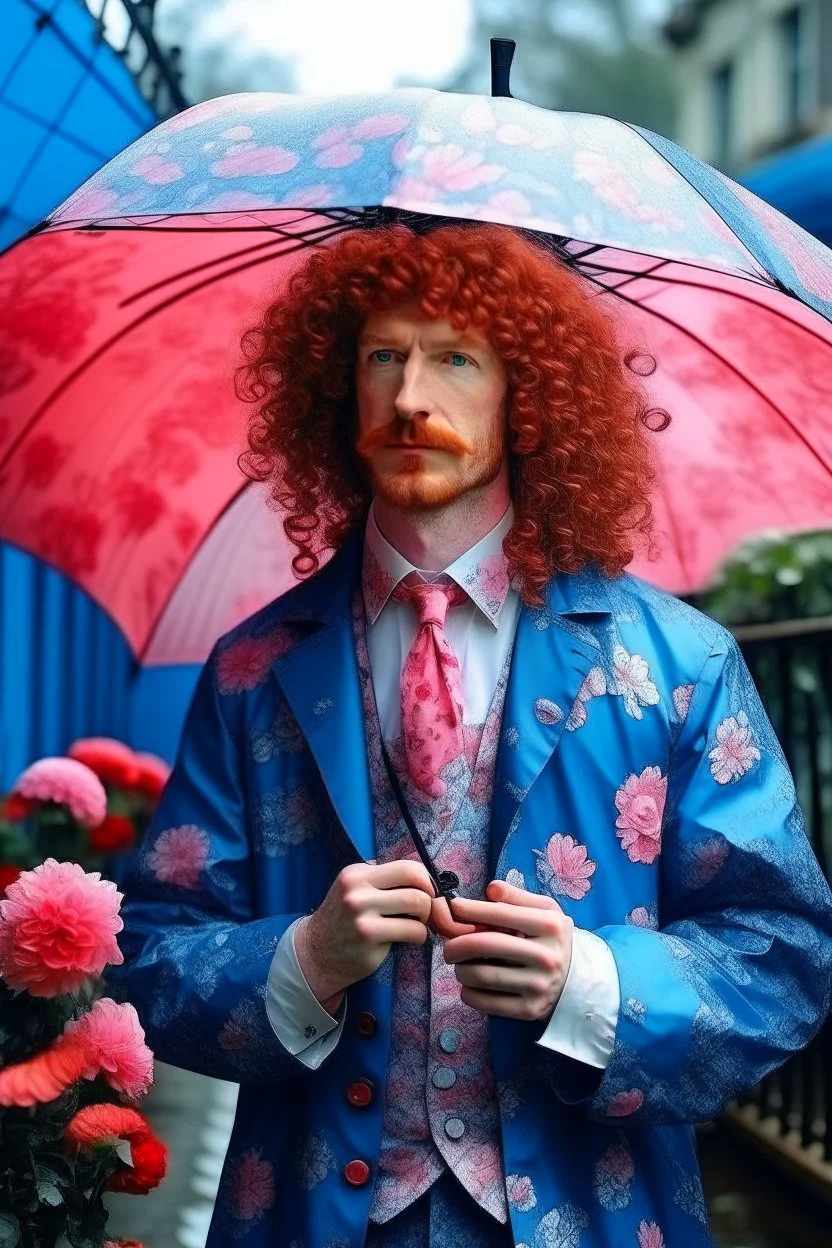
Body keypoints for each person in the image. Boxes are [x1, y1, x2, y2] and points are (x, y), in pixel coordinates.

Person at [114, 222, 832, 1248]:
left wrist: (591, 983)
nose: (410, 396)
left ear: (526, 395)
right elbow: (153, 956)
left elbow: (784, 956)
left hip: (591, 1210)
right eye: (383, 356)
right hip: (315, 1216)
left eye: (455, 358)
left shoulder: (682, 663)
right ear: (339, 391)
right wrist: (304, 957)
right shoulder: (253, 669)